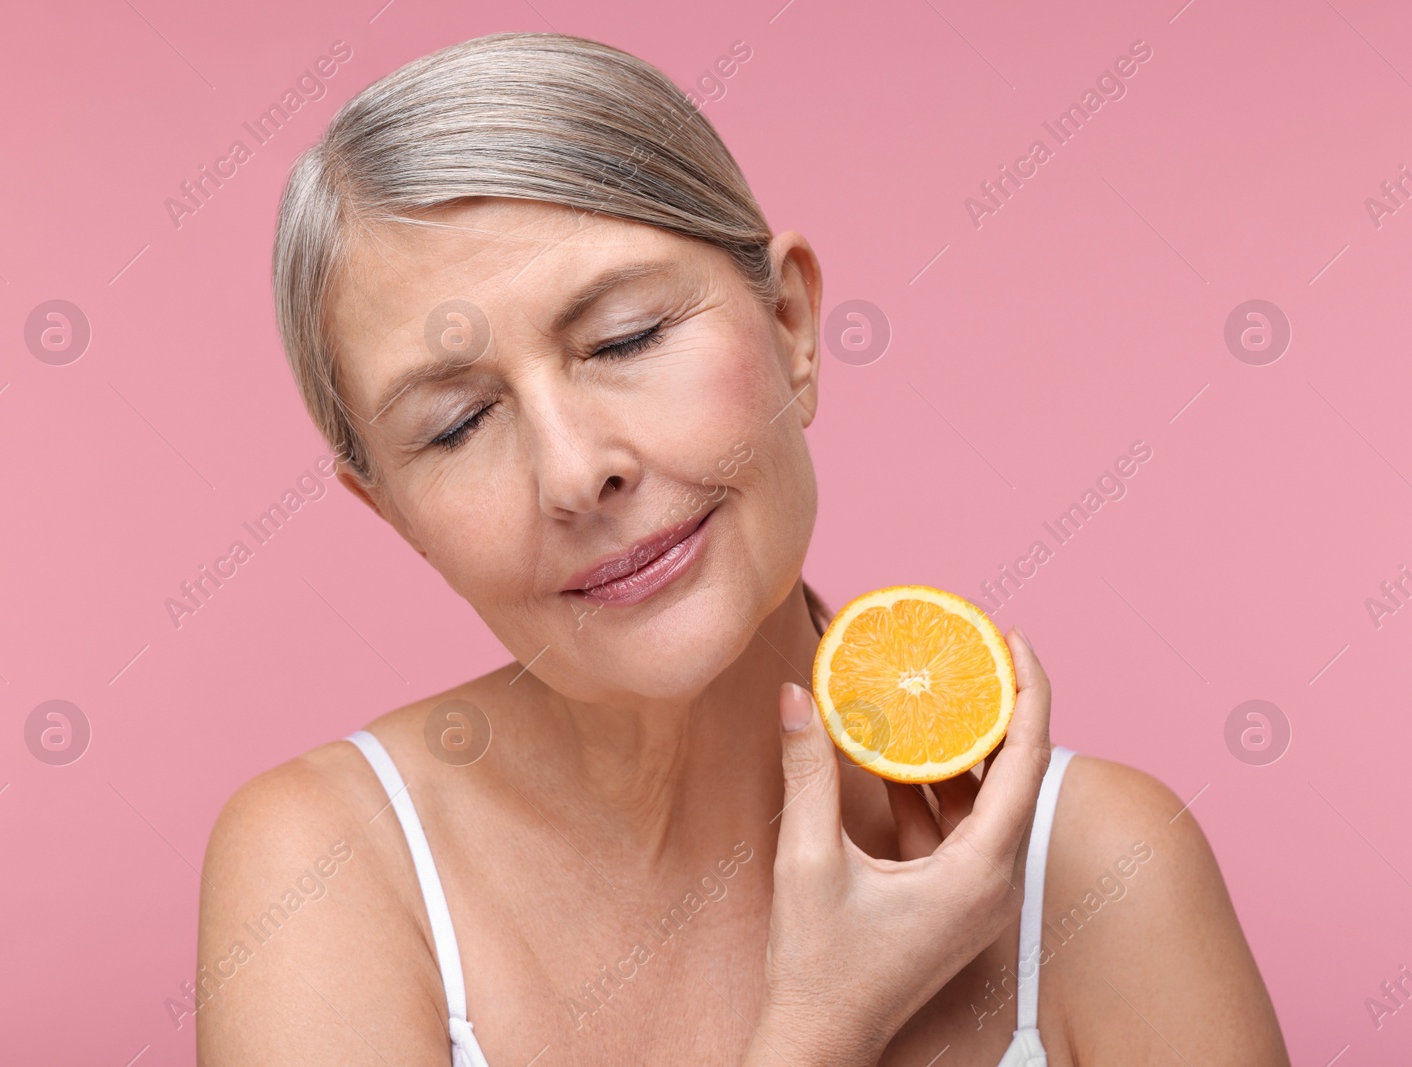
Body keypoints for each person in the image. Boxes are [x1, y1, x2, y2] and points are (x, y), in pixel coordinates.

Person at [197, 31, 1290, 1066]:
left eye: (623, 338)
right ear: (392, 515)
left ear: (792, 326)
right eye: (457, 424)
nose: (575, 470)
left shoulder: (1103, 873)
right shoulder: (328, 864)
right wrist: (820, 1026)